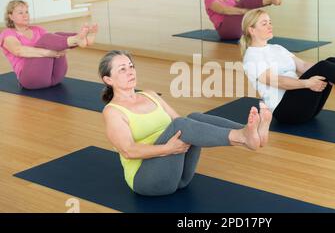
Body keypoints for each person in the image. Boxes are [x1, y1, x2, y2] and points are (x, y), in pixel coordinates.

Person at [99, 50, 272, 196]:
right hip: (146, 180)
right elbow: (129, 151)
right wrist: (167, 149)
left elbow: (181, 121)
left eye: (131, 66)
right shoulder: (113, 111)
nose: (130, 72)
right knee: (182, 124)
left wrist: (173, 147)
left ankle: (250, 132)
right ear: (108, 80)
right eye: (122, 69)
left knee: (193, 117)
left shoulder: (149, 94)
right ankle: (243, 137)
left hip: (178, 175)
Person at [0, 0, 98, 89]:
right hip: (31, 79)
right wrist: (47, 53)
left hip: (56, 76)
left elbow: (59, 46)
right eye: (20, 13)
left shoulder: (37, 29)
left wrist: (57, 50)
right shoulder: (8, 33)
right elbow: (18, 50)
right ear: (11, 16)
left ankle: (83, 38)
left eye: (27, 12)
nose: (25, 15)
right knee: (47, 38)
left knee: (56, 36)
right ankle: (77, 39)